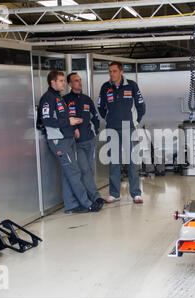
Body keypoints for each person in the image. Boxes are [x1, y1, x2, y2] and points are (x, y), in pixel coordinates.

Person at [39, 70, 103, 213]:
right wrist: (69, 121)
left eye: (63, 80)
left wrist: (72, 124)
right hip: (59, 141)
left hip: (68, 139)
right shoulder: (48, 98)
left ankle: (71, 205)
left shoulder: (58, 98)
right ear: (52, 82)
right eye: (60, 81)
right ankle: (87, 204)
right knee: (74, 173)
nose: (63, 83)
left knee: (69, 173)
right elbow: (47, 120)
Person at [98, 61, 146, 204]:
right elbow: (101, 107)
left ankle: (136, 194)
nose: (111, 74)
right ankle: (114, 194)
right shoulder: (105, 87)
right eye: (110, 71)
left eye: (114, 71)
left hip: (129, 127)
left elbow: (141, 105)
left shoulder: (131, 85)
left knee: (132, 161)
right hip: (112, 128)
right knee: (114, 162)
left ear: (121, 71)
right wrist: (108, 118)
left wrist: (134, 122)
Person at [63, 72, 104, 206]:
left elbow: (95, 117)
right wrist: (73, 130)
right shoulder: (65, 100)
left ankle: (88, 197)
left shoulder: (87, 99)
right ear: (69, 84)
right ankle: (95, 197)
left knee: (90, 171)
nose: (79, 83)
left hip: (89, 140)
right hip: (76, 144)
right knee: (84, 170)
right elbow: (63, 120)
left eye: (80, 80)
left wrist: (95, 130)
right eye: (75, 81)